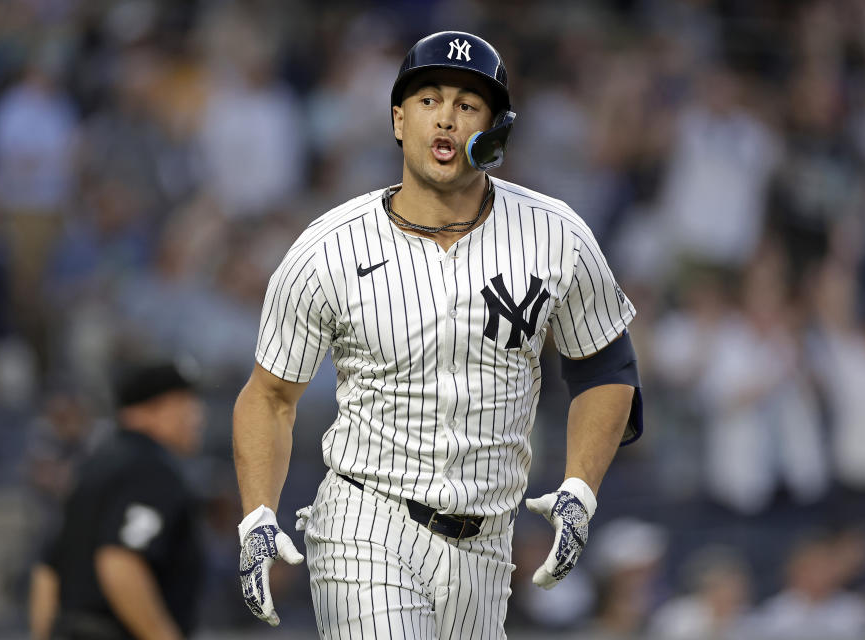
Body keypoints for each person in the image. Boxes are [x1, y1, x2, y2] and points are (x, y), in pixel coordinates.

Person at [233, 31, 643, 639]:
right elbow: (269, 395)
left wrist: (580, 486)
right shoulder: (330, 246)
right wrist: (257, 516)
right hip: (364, 522)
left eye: (468, 104)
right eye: (428, 100)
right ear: (399, 119)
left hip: (487, 546)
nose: (446, 118)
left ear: (496, 129)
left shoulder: (556, 235)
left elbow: (607, 369)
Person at [30, 362, 206, 640]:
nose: (197, 417)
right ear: (150, 410)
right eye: (185, 404)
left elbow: (48, 572)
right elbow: (120, 560)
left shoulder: (93, 467)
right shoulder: (151, 469)